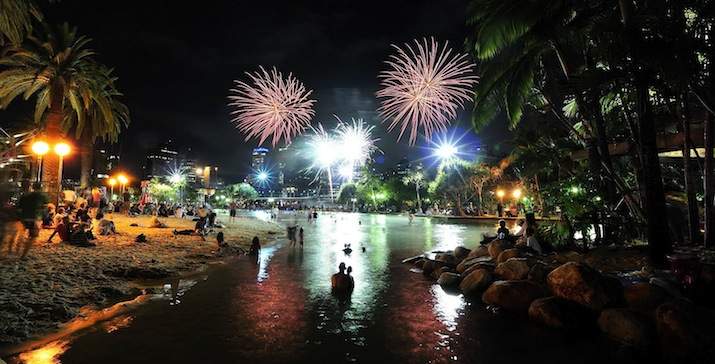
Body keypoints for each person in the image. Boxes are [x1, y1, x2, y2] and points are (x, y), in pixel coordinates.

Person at [17, 186, 49, 259]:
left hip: (24, 218)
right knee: (33, 236)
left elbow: (19, 207)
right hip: (35, 218)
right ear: (41, 189)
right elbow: (46, 206)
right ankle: (23, 255)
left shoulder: (25, 196)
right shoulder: (42, 196)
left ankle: (16, 251)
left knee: (21, 234)